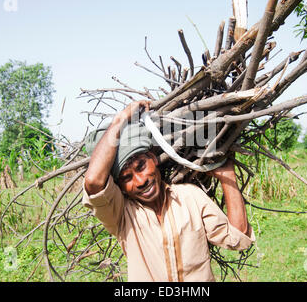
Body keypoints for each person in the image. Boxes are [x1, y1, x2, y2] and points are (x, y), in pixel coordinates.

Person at [83, 100, 255, 281]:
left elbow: (238, 237)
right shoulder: (121, 216)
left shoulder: (191, 197)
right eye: (127, 178)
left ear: (153, 158)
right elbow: (94, 181)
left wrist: (228, 179)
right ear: (120, 186)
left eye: (141, 166)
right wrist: (121, 119)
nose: (140, 181)